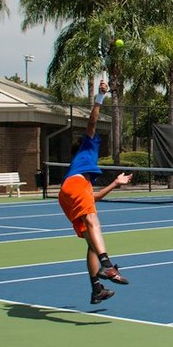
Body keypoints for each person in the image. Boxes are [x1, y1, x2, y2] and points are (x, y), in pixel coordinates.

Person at [58, 80, 135, 304]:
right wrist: (100, 98)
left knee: (92, 242)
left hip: (66, 194)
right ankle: (108, 266)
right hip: (73, 187)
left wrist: (115, 183)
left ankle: (96, 289)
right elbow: (91, 123)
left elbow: (93, 198)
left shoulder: (83, 172)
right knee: (94, 221)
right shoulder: (87, 148)